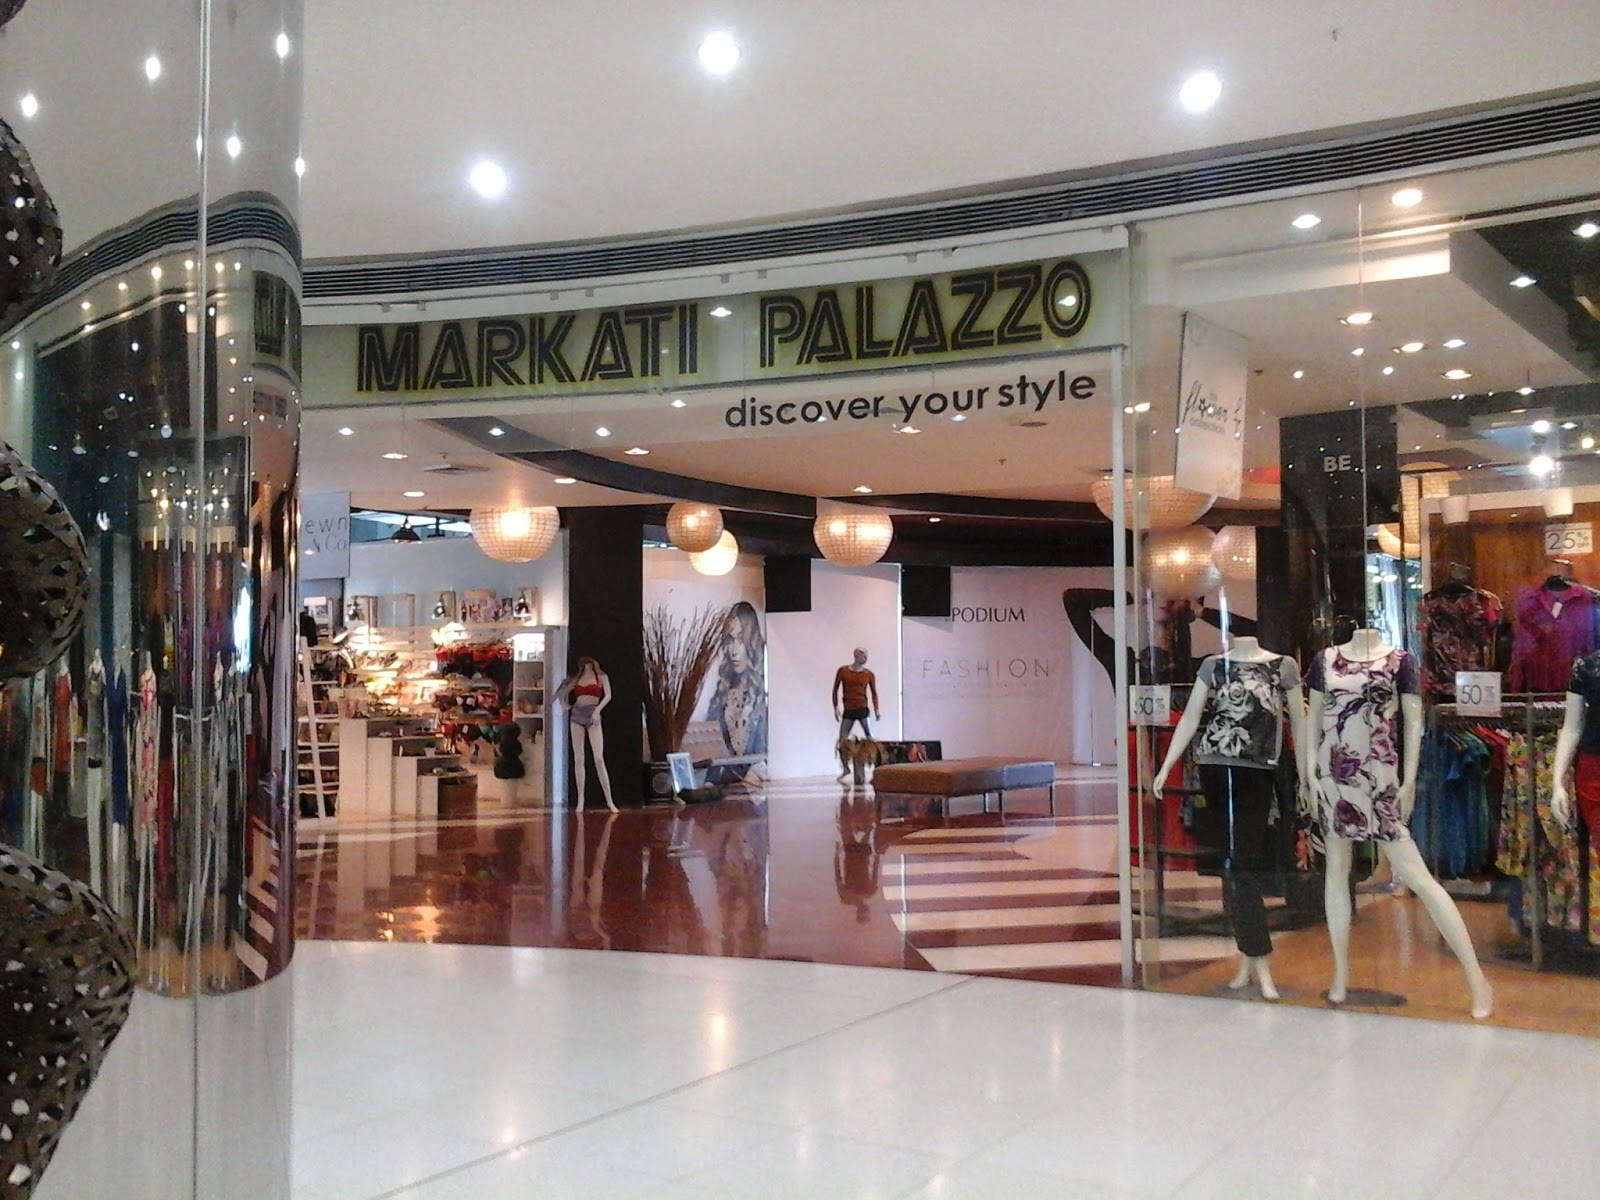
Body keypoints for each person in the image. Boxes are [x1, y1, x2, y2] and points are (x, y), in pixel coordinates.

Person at [1304, 627, 1493, 1019]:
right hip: (1334, 776)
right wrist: (1309, 774)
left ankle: (1477, 979)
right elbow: (1313, 720)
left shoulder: (1400, 662)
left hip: (1380, 779)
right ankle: (1340, 975)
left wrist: (1408, 782)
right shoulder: (1325, 660)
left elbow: (1413, 721)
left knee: (1420, 878)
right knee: (1336, 873)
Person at [1153, 635, 1302, 1000]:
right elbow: (1191, 718)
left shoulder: (1282, 666)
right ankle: (1252, 959)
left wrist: (1308, 775)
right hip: (1216, 768)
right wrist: (1167, 765)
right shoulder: (1214, 665)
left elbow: (1299, 725)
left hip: (1258, 772)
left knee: (1244, 866)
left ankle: (1256, 955)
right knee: (1231, 867)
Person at [708, 601, 768, 762]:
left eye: (740, 641)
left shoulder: (765, 694)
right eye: (730, 641)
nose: (733, 651)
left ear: (751, 642)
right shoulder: (721, 694)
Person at [557, 657, 617, 812]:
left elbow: (608, 696)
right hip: (577, 715)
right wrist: (564, 705)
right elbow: (561, 693)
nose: (586, 665)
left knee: (599, 759)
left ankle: (609, 800)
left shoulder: (601, 676)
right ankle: (580, 799)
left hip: (593, 713)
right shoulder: (577, 678)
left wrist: (597, 711)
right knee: (579, 758)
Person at [832, 647, 881, 781]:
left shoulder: (868, 674)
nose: (866, 659)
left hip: (863, 709)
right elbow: (835, 689)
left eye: (866, 656)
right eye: (864, 656)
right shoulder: (843, 671)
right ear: (856, 656)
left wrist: (876, 709)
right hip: (849, 709)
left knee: (871, 739)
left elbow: (874, 693)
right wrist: (835, 707)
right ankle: (845, 767)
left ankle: (877, 769)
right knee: (842, 740)